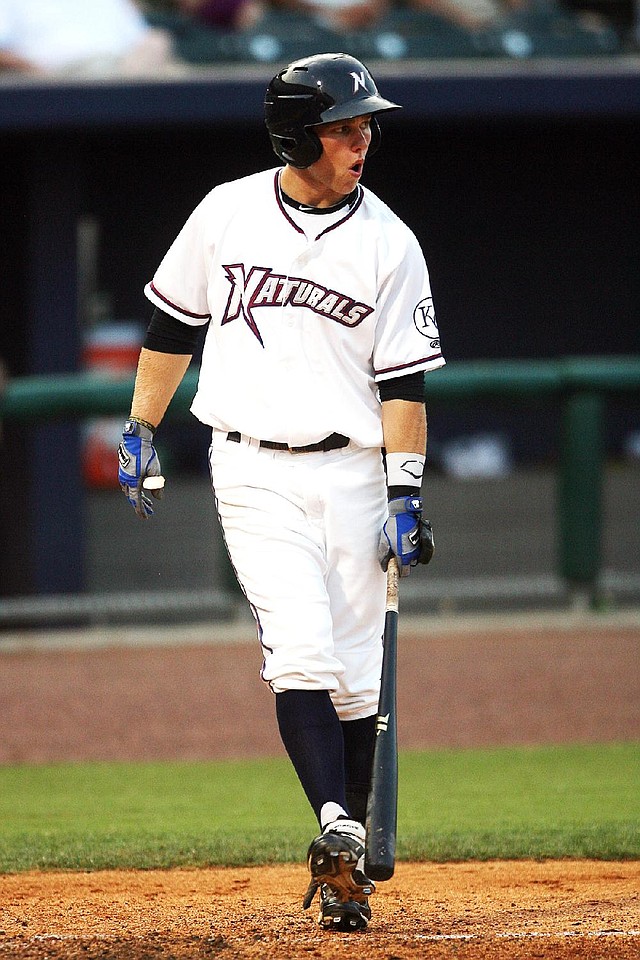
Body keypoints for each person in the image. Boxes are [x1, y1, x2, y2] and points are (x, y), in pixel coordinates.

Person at [117, 51, 445, 932]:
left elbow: (404, 386)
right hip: (251, 465)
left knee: (356, 676)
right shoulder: (227, 212)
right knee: (301, 653)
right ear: (297, 135)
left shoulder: (391, 241)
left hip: (353, 471)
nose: (362, 139)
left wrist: (405, 491)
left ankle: (345, 871)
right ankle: (338, 826)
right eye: (343, 127)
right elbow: (171, 324)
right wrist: (141, 426)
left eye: (365, 124)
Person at [0, 0, 181, 76]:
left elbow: (143, 38)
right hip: (54, 82)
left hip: (121, 76)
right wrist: (37, 75)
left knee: (157, 41)